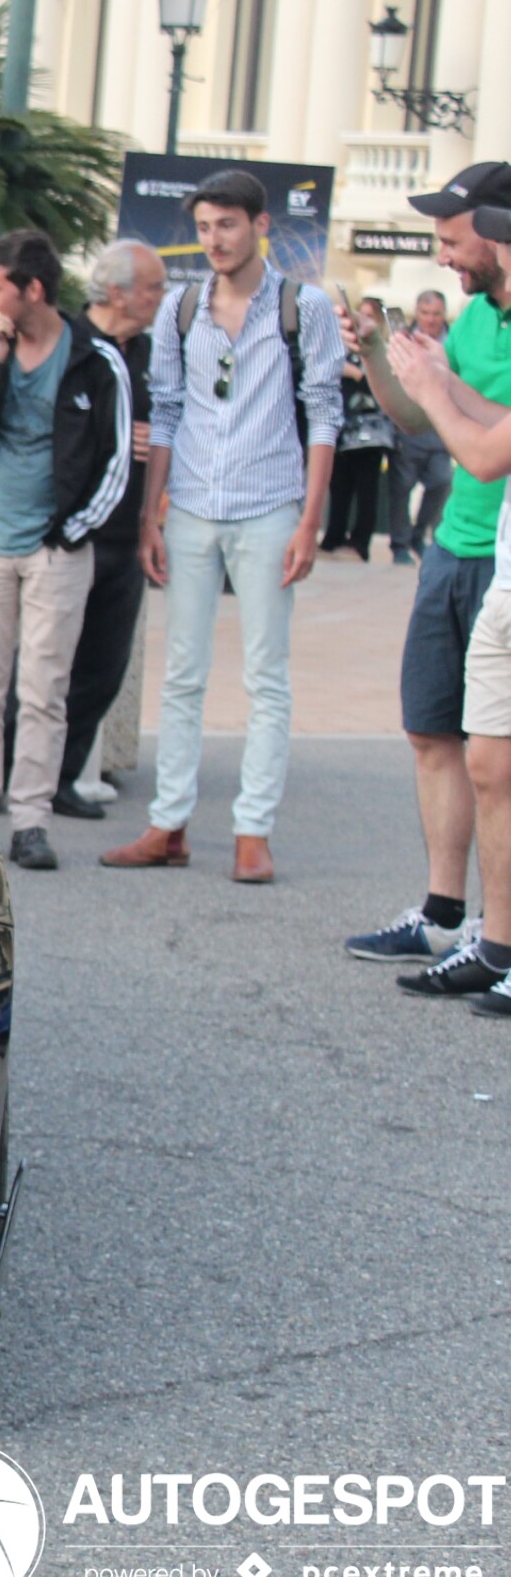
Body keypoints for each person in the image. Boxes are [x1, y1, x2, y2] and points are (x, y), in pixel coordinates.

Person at [99, 169, 343, 885]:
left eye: (227, 225)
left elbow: (324, 411)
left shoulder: (304, 306)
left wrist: (311, 518)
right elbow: (166, 411)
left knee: (267, 674)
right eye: (204, 227)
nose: (214, 240)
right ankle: (168, 822)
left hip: (271, 504)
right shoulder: (180, 309)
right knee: (182, 672)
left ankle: (252, 829)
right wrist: (151, 513)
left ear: (259, 225)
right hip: (194, 507)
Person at [338, 164, 511, 972]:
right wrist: (378, 354)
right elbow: (421, 414)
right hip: (457, 549)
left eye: (454, 236)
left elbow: (477, 443)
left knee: (498, 753)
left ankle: (497, 931)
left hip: (497, 553)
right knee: (435, 731)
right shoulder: (477, 321)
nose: (444, 255)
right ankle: (446, 915)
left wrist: (438, 390)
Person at [0, 230, 133, 871]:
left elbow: (116, 461)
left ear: (33, 289)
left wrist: (71, 532)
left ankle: (31, 819)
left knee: (45, 690)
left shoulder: (96, 359)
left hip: (57, 549)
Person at [52, 238, 169, 821]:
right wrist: (118, 436)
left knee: (104, 665)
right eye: (153, 287)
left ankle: (65, 775)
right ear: (118, 292)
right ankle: (21, 775)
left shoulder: (152, 354)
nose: (161, 297)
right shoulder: (69, 345)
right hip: (73, 534)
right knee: (49, 664)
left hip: (128, 535)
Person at [321, 299, 396, 561]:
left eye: (368, 316)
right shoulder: (342, 345)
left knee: (367, 490)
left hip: (371, 432)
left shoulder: (385, 349)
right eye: (359, 315)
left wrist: (356, 374)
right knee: (338, 486)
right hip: (341, 429)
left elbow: (385, 388)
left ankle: (360, 543)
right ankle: (333, 538)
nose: (361, 320)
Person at [385, 290, 455, 563]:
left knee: (441, 480)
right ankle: (400, 545)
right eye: (426, 314)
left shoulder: (454, 340)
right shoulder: (402, 339)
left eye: (436, 314)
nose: (431, 320)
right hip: (408, 425)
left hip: (441, 425)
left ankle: (418, 535)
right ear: (417, 314)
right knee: (401, 487)